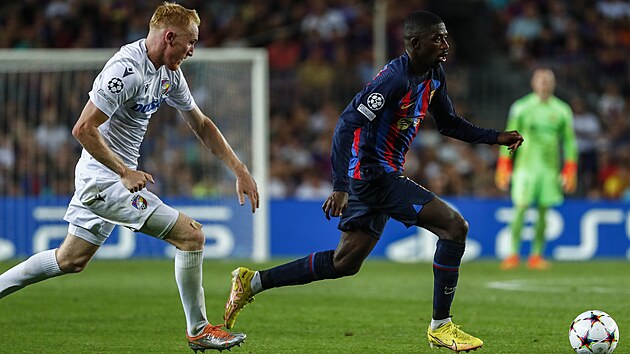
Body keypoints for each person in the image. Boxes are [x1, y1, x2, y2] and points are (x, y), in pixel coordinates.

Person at [224, 10, 523, 353]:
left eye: (445, 36)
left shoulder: (433, 74)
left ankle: (253, 282)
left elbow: (449, 123)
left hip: (379, 175)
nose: (445, 44)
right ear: (414, 43)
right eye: (437, 38)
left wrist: (494, 137)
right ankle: (441, 326)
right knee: (455, 227)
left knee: (344, 262)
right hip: (372, 175)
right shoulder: (393, 81)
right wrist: (339, 185)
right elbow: (345, 125)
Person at [0, 3, 259, 352]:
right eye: (190, 42)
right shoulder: (125, 71)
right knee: (192, 236)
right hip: (105, 180)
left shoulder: (168, 73)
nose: (192, 50)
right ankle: (198, 330)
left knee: (70, 259)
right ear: (170, 37)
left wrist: (240, 169)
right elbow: (82, 128)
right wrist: (123, 171)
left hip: (110, 179)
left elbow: (200, 123)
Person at [495, 68, 577, 270]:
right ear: (533, 83)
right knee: (520, 209)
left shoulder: (562, 110)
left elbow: (569, 142)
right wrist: (504, 165)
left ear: (553, 83)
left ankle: (536, 255)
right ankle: (513, 254)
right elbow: (509, 136)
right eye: (540, 80)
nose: (544, 84)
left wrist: (569, 168)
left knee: (543, 212)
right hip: (525, 169)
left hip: (549, 170)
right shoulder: (521, 107)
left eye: (548, 80)